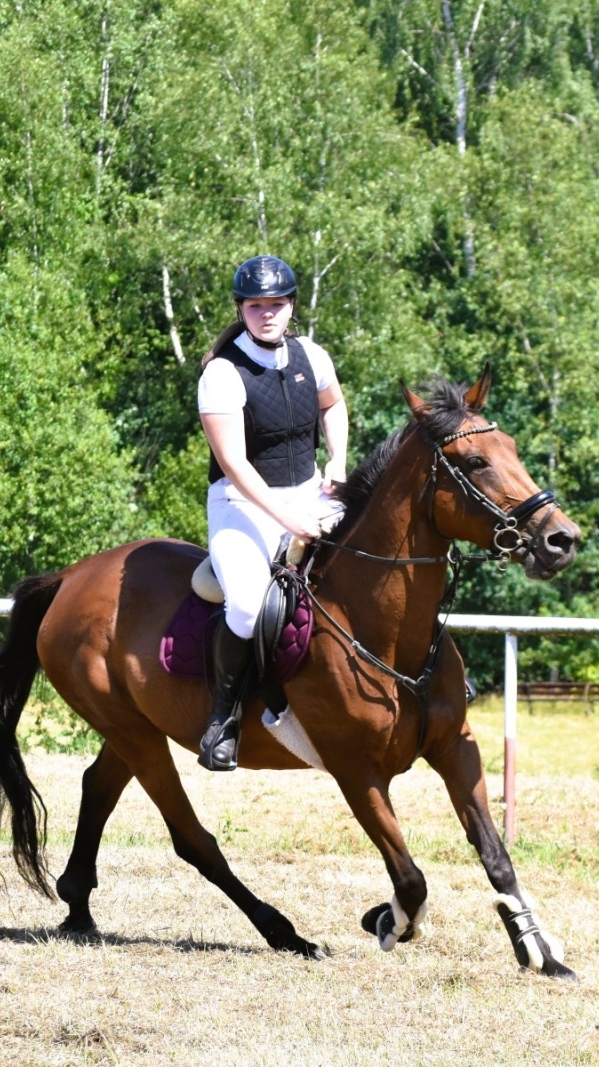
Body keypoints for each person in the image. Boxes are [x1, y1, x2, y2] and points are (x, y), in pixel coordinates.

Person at [195, 255, 348, 771]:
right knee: (245, 604)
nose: (267, 314)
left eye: (277, 304)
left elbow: (332, 406)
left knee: (383, 552)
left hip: (308, 493)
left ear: (291, 307)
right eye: (256, 305)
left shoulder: (312, 355)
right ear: (241, 309)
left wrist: (339, 460)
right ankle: (223, 718)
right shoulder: (222, 372)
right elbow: (234, 464)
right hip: (243, 505)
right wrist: (289, 519)